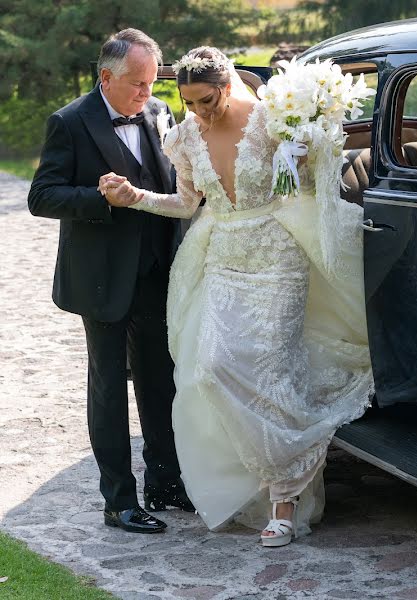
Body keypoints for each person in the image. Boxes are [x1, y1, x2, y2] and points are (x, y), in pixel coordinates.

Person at [99, 46, 373, 547]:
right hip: (223, 257)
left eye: (206, 101)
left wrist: (310, 147)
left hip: (278, 256)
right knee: (214, 366)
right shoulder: (182, 137)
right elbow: (186, 204)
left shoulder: (276, 120)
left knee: (273, 369)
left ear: (226, 87)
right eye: (189, 103)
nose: (199, 113)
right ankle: (269, 469)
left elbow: (312, 186)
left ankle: (284, 502)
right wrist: (134, 197)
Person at [28, 29, 193, 535]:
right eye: (138, 84)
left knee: (158, 380)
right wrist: (102, 200)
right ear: (106, 77)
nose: (148, 94)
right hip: (99, 278)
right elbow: (42, 196)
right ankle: (118, 500)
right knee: (107, 390)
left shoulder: (157, 112)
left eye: (151, 83)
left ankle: (165, 485)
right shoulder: (70, 122)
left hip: (155, 271)